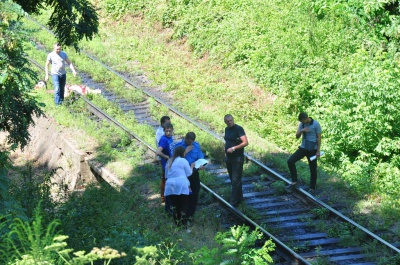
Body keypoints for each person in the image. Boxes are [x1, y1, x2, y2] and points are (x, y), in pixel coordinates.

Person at [286, 112, 322, 194]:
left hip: (312, 149)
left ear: (306, 118)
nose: (302, 123)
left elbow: (319, 138)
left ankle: (312, 188)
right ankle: (294, 181)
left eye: (303, 121)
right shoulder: (301, 124)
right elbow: (297, 136)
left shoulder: (316, 124)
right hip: (303, 148)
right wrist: (302, 130)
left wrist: (318, 151)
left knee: (313, 169)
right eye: (301, 122)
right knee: (290, 161)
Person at [173, 132, 205, 220]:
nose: (191, 142)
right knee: (184, 195)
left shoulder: (196, 145)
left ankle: (191, 214)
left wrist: (201, 164)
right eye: (189, 141)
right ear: (185, 138)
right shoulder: (178, 146)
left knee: (194, 193)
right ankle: (183, 215)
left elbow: (200, 157)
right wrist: (186, 151)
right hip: (183, 174)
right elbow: (175, 160)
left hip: (194, 172)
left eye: (192, 141)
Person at [164, 146, 194, 230]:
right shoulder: (183, 160)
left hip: (170, 186)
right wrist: (192, 166)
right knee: (183, 206)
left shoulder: (169, 161)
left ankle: (177, 226)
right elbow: (189, 173)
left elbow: (166, 175)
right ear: (182, 153)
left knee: (175, 206)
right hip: (182, 185)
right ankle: (185, 227)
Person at [224, 114, 248, 207]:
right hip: (229, 158)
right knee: (233, 179)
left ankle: (233, 202)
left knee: (235, 180)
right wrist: (225, 153)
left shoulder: (238, 129)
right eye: (227, 121)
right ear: (225, 122)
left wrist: (234, 148)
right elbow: (227, 142)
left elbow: (245, 142)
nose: (229, 122)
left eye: (231, 120)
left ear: (233, 120)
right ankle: (240, 198)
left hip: (237, 157)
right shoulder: (227, 130)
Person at [156, 123, 174, 204]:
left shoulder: (170, 138)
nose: (168, 133)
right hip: (166, 165)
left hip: (170, 164)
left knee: (167, 180)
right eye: (166, 131)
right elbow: (158, 152)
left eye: (170, 131)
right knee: (165, 180)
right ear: (164, 131)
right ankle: (164, 198)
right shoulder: (164, 139)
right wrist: (166, 157)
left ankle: (168, 198)